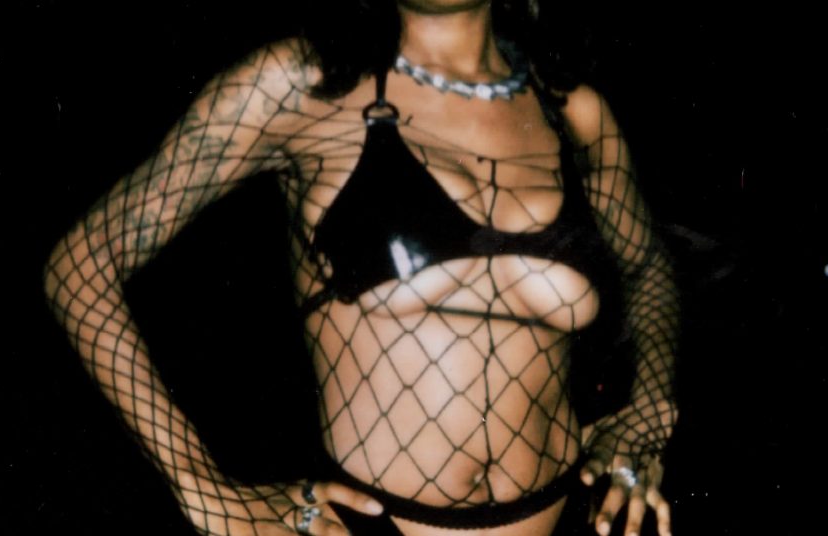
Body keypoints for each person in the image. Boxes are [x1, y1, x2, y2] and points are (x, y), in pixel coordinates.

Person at [43, 0, 679, 534]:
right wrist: (203, 490)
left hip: (573, 514)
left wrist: (650, 400)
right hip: (368, 523)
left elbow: (648, 268)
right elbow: (81, 266)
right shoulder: (299, 83)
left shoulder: (571, 110)